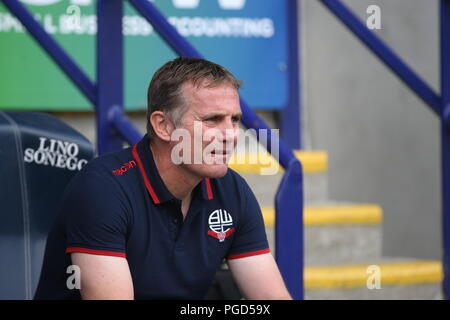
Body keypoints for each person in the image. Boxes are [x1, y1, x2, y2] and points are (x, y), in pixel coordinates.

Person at [34, 57, 292, 300]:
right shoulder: (102, 188)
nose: (230, 135)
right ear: (163, 126)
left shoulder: (231, 189)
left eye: (234, 120)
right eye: (212, 120)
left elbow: (271, 298)